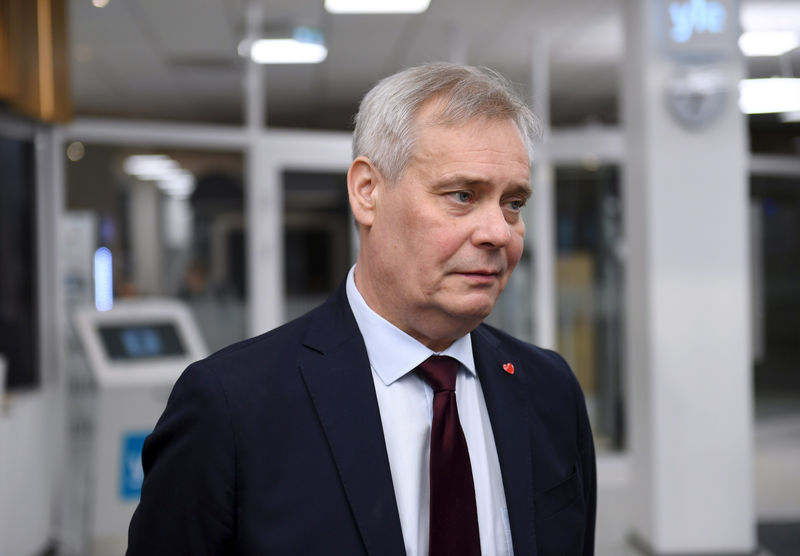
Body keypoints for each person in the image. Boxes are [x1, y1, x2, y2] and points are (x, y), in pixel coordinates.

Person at [127, 62, 596, 556]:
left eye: (513, 203)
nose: (499, 232)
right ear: (367, 191)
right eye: (462, 195)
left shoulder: (548, 390)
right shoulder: (231, 407)